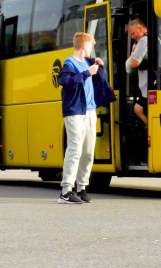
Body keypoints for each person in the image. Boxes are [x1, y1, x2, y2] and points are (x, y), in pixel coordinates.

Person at [57, 33, 114, 205]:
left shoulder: (89, 63)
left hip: (90, 111)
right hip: (75, 111)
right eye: (90, 45)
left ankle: (81, 188)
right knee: (75, 149)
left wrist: (99, 67)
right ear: (84, 46)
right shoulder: (69, 63)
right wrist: (87, 73)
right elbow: (66, 82)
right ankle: (66, 191)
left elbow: (97, 81)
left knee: (88, 151)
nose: (92, 48)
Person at [125, 18, 149, 127]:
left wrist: (133, 52)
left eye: (133, 33)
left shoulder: (143, 41)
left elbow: (131, 65)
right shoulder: (160, 37)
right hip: (152, 84)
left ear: (140, 28)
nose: (132, 37)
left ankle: (150, 128)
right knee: (139, 108)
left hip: (147, 86)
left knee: (138, 109)